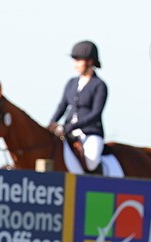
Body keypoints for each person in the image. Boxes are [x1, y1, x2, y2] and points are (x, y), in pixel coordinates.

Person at [48, 41, 108, 173]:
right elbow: (62, 106)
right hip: (68, 131)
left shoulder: (99, 85)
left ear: (90, 61)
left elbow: (96, 113)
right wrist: (51, 124)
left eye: (78, 60)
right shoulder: (71, 83)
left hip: (90, 132)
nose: (75, 64)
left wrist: (71, 127)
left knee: (91, 162)